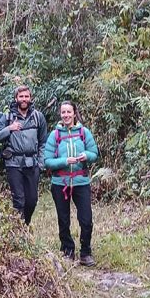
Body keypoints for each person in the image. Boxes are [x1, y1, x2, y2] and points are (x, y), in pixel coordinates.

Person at [43, 100, 99, 266]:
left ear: (74, 113)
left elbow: (94, 153)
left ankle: (85, 252)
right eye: (63, 112)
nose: (66, 115)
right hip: (60, 183)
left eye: (69, 112)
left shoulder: (84, 132)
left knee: (86, 219)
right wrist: (64, 161)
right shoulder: (55, 135)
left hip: (81, 181)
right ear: (60, 115)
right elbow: (47, 161)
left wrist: (86, 156)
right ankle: (67, 251)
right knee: (63, 219)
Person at [0, 85, 48, 225]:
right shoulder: (8, 117)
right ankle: (19, 231)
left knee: (32, 200)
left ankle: (24, 225)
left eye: (26, 96)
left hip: (32, 164)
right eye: (21, 96)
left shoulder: (38, 117)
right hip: (13, 164)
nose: (24, 99)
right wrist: (9, 128)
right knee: (19, 200)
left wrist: (40, 163)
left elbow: (43, 142)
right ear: (16, 98)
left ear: (30, 98)